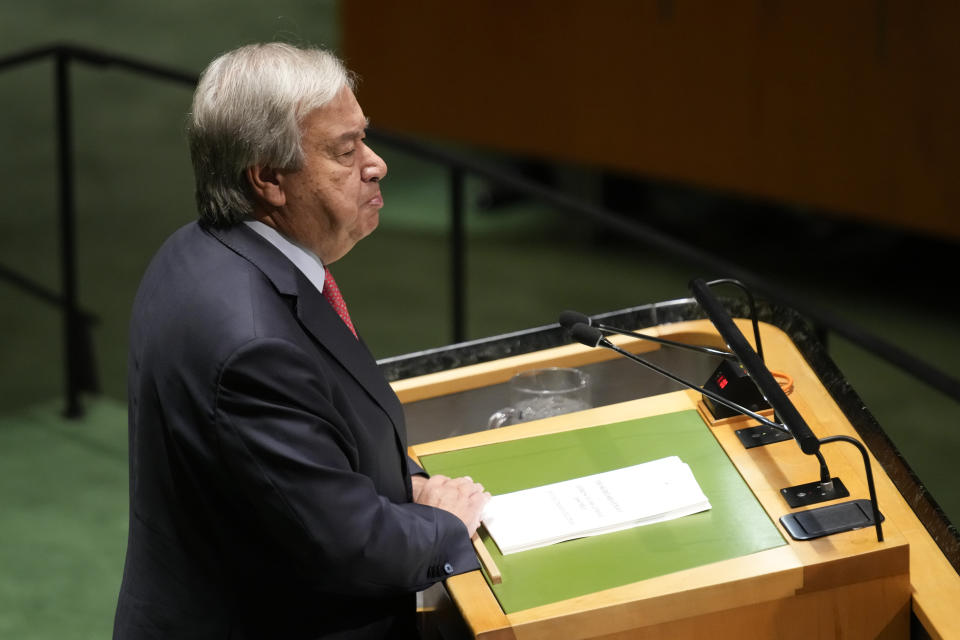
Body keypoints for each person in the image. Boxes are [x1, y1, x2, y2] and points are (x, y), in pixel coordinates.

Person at [113, 42, 490, 639]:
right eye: (345, 151)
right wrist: (445, 523)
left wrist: (406, 483)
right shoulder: (252, 343)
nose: (376, 164)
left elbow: (303, 448)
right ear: (267, 178)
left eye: (363, 137)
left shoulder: (198, 249)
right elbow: (348, 546)